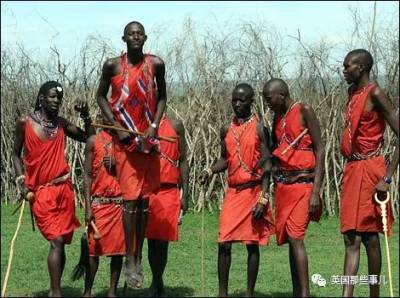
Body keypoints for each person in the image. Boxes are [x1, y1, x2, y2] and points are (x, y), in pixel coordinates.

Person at [96, 21, 167, 289]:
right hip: (124, 141)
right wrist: (116, 126)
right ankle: (130, 259)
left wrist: (154, 125)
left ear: (145, 37)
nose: (135, 37)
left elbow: (162, 97)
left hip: (147, 141)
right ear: (124, 38)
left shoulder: (156, 64)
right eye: (131, 34)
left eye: (139, 34)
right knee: (129, 201)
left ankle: (136, 253)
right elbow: (100, 96)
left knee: (144, 201)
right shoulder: (112, 65)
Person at [12, 81, 95, 297]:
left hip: (64, 190)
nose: (57, 100)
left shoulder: (61, 125)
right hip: (41, 193)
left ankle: (55, 290)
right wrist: (21, 181)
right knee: (56, 240)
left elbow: (90, 138)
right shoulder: (25, 123)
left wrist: (86, 116)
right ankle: (55, 292)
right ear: (41, 99)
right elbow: (15, 154)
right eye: (52, 97)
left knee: (62, 242)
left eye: (59, 97)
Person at [199, 83, 275, 298]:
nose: (238, 104)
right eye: (234, 100)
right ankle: (222, 293)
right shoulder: (226, 129)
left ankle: (249, 293)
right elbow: (224, 159)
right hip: (233, 193)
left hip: (253, 193)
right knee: (224, 242)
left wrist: (264, 197)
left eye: (242, 100)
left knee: (252, 244)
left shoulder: (260, 128)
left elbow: (268, 165)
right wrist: (209, 170)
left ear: (251, 102)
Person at [340, 49, 398, 297]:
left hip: (372, 170)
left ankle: (374, 293)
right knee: (350, 237)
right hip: (353, 169)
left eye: (347, 67)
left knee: (369, 237)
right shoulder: (352, 92)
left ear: (361, 67)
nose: (344, 71)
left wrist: (387, 177)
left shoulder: (375, 93)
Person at [262, 78, 324, 297]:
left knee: (296, 237)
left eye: (269, 99)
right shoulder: (277, 117)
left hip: (305, 185)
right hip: (284, 186)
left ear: (282, 94)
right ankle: (297, 292)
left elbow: (320, 149)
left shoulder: (304, 110)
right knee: (290, 238)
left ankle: (304, 294)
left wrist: (316, 191)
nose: (267, 103)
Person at [145, 113, 189, 297]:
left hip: (169, 190)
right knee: (151, 241)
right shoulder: (142, 125)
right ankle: (157, 283)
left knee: (162, 242)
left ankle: (157, 281)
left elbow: (184, 160)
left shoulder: (176, 125)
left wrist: (185, 194)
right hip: (147, 191)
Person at [82, 116, 125, 297]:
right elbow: (87, 175)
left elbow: (133, 172)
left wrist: (119, 164)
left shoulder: (126, 143)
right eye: (108, 117)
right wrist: (87, 206)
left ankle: (112, 291)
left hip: (118, 205)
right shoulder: (94, 141)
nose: (112, 121)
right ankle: (88, 291)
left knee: (118, 252)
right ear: (101, 118)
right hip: (99, 204)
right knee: (92, 251)